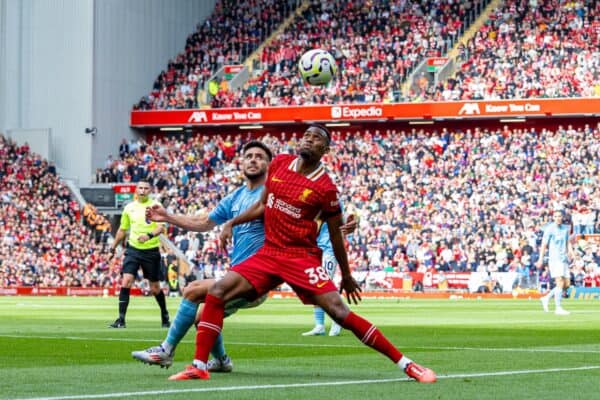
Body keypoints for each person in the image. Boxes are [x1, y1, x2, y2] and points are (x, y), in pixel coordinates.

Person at [167, 124, 436, 383]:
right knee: (217, 291)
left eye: (317, 138)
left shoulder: (326, 188)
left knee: (339, 311)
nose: (309, 139)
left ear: (326, 150)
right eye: (307, 135)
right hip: (269, 253)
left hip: (300, 258)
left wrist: (348, 275)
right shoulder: (279, 164)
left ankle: (407, 364)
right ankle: (199, 366)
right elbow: (263, 205)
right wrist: (232, 222)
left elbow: (335, 233)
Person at [131, 140, 356, 370]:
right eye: (249, 156)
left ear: (271, 165)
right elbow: (205, 222)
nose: (253, 160)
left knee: (193, 290)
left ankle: (166, 350)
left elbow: (321, 209)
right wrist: (168, 217)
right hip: (236, 275)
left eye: (260, 156)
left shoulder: (277, 192)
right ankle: (221, 360)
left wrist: (348, 223)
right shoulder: (236, 197)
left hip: (256, 278)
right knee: (202, 318)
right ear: (241, 163)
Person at [109, 179, 170, 328]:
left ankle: (164, 314)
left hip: (151, 251)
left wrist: (148, 236)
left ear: (150, 190)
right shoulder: (129, 208)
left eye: (145, 188)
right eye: (140, 188)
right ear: (136, 190)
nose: (142, 190)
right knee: (126, 281)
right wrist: (112, 248)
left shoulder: (156, 206)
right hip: (133, 250)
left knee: (155, 288)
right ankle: (121, 319)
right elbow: (122, 230)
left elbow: (161, 228)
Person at [537, 208, 574, 315]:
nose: (557, 218)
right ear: (553, 218)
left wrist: (572, 253)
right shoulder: (550, 229)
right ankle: (558, 308)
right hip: (554, 259)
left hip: (564, 259)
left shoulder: (565, 229)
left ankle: (546, 298)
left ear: (562, 217)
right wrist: (540, 258)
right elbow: (544, 245)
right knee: (560, 282)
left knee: (566, 284)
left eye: (559, 216)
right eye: (555, 216)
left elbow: (568, 242)